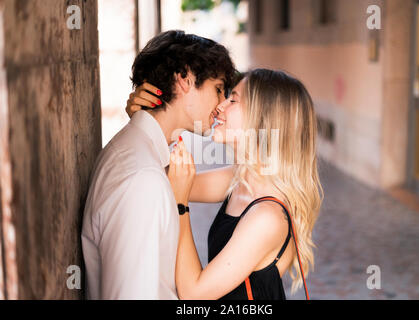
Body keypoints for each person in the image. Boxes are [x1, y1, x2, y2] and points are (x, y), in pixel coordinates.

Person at [127, 68, 323, 300]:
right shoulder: (240, 180)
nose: (220, 106)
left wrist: (181, 204)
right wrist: (144, 119)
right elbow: (156, 178)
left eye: (233, 100)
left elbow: (194, 294)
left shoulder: (268, 217)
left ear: (263, 119)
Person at [81, 30, 236, 299]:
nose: (222, 104)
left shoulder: (142, 155)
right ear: (185, 78)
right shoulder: (143, 179)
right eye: (219, 89)